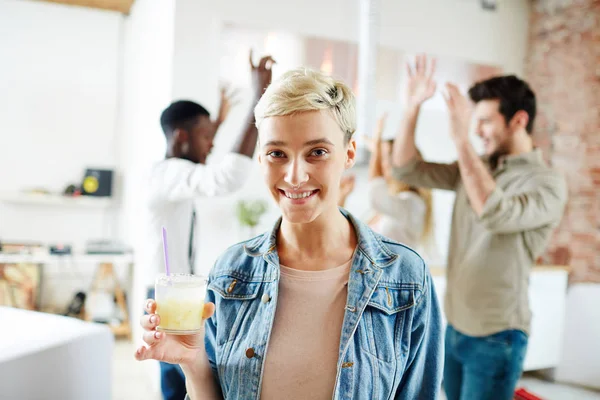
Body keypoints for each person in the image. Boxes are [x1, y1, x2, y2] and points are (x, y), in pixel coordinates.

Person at [136, 67, 444, 399]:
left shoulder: (407, 279)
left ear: (349, 153)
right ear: (260, 157)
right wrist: (194, 363)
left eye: (317, 152)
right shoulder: (230, 272)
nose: (295, 176)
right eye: (277, 153)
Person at [392, 54, 568, 400]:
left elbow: (496, 212)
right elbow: (405, 169)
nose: (476, 130)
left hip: (498, 336)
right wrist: (412, 107)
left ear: (518, 120)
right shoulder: (474, 168)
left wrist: (460, 140)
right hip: (454, 326)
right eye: (475, 121)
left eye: (485, 121)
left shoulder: (547, 183)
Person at [143, 51, 274, 400]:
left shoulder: (171, 175)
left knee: (184, 375)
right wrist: (259, 98)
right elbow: (226, 176)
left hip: (175, 288)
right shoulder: (168, 174)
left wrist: (216, 122)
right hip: (167, 293)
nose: (212, 143)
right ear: (182, 138)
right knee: (180, 378)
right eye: (205, 137)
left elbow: (203, 157)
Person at [338, 113, 436, 260]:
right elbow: (345, 237)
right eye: (381, 158)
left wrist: (377, 143)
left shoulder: (412, 203)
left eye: (384, 158)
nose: (381, 163)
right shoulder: (387, 209)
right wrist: (342, 196)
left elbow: (376, 192)